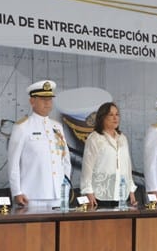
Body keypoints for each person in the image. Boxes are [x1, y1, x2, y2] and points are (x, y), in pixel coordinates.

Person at [7, 80, 71, 208]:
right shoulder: (22, 127)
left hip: (57, 194)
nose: (47, 103)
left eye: (50, 99)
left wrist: (66, 188)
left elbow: (65, 161)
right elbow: (13, 163)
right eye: (43, 99)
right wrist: (17, 192)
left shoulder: (57, 127)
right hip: (32, 195)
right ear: (32, 101)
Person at [80, 102, 138, 208]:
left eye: (117, 114)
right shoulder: (95, 138)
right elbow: (87, 167)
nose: (115, 118)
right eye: (111, 115)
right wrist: (88, 191)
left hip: (122, 193)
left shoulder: (122, 138)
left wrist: (131, 190)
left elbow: (127, 166)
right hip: (101, 194)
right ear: (102, 118)